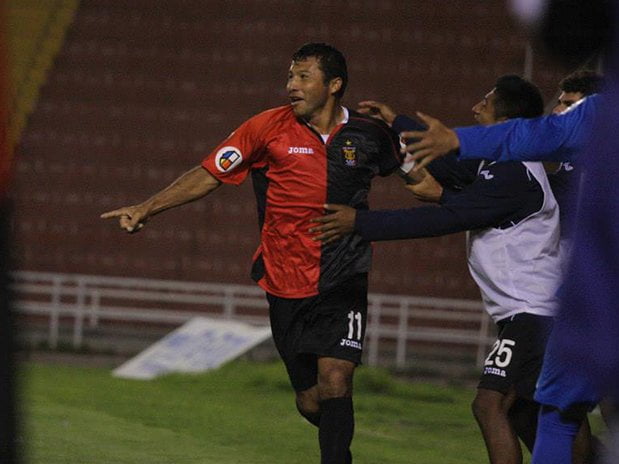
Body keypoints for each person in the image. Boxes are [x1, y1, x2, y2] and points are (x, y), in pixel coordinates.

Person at [101, 42, 402, 464]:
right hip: (284, 279)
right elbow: (210, 174)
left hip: (344, 274)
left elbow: (417, 179)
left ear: (334, 85)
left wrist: (475, 199)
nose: (290, 86)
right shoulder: (265, 128)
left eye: (302, 77)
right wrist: (146, 208)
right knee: (311, 401)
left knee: (337, 379)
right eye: (290, 77)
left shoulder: (370, 134)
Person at [312, 76, 562, 464]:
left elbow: (447, 217)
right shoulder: (500, 163)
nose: (477, 105)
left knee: (489, 404)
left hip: (534, 313)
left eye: (486, 98)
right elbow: (449, 164)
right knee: (528, 413)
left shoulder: (515, 172)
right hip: (526, 313)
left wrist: (359, 223)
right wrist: (397, 122)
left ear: (505, 116)